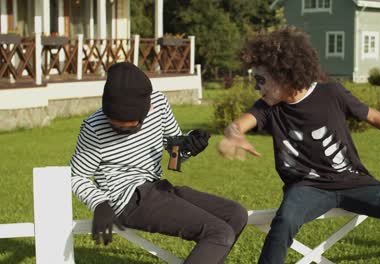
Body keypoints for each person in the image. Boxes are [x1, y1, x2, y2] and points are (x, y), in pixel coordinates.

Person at [217, 27, 380, 264]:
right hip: (306, 188)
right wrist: (233, 133)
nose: (256, 87)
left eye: (260, 80)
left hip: (352, 181)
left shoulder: (332, 93)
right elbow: (238, 125)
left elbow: (373, 116)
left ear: (285, 75)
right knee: (284, 221)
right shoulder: (267, 107)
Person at [70, 62, 248, 264]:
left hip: (158, 188)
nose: (123, 131)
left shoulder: (159, 105)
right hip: (126, 200)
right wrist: (100, 203)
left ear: (148, 108)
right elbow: (77, 176)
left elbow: (175, 153)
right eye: (117, 126)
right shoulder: (94, 127)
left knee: (235, 215)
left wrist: (189, 144)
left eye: (132, 127)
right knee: (219, 233)